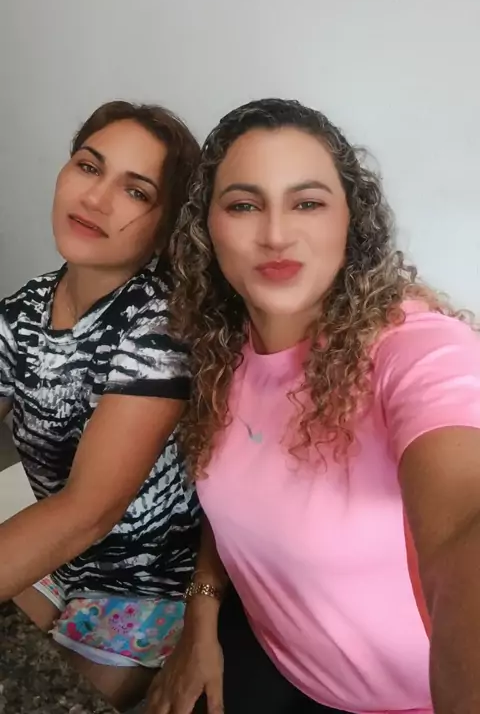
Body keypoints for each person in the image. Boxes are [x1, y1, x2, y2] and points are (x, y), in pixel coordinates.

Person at [148, 98, 480, 714]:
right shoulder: (219, 347)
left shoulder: (417, 349)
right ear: (205, 229)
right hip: (270, 661)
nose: (276, 233)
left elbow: (465, 521)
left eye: (307, 203)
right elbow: (236, 501)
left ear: (351, 220)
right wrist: (202, 617)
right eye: (244, 205)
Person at [0, 100, 201, 710]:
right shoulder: (26, 308)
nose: (96, 198)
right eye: (89, 167)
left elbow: (87, 511)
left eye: (136, 191)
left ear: (165, 226)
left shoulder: (160, 329)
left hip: (144, 586)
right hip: (63, 563)